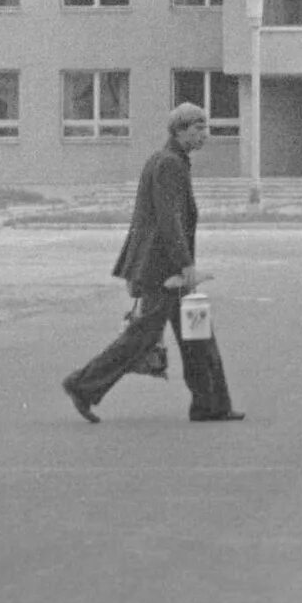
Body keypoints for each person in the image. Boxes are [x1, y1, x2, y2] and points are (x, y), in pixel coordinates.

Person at [62, 103, 239, 423]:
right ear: (180, 130)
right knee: (145, 337)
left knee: (196, 335)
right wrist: (186, 267)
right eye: (198, 128)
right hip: (164, 271)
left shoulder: (171, 161)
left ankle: (211, 405)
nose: (204, 134)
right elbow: (168, 220)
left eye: (205, 127)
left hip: (167, 268)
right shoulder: (169, 164)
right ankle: (82, 385)